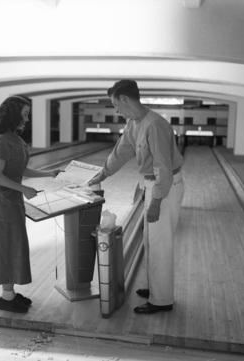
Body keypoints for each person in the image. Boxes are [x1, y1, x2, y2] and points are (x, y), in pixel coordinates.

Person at [89, 80, 185, 315]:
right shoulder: (134, 124)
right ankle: (156, 288)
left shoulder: (155, 125)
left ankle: (162, 300)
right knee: (151, 242)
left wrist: (155, 202)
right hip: (153, 185)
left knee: (160, 245)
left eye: (115, 104)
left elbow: (163, 168)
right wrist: (101, 173)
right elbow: (120, 152)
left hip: (166, 187)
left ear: (124, 99)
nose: (116, 110)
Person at [0, 96, 62, 313]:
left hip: (12, 200)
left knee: (13, 246)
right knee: (7, 247)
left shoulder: (14, 139)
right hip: (2, 203)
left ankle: (11, 294)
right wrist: (24, 189)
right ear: (13, 114)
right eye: (24, 114)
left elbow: (21, 170)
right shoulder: (3, 141)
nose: (27, 118)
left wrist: (50, 174)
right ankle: (6, 299)